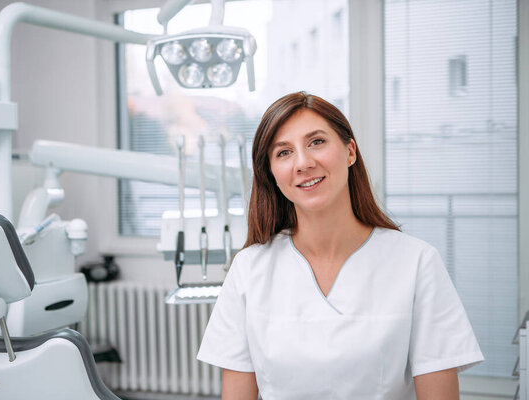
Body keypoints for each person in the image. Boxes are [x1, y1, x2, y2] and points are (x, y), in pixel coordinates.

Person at [196, 92, 483, 399]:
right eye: (283, 153)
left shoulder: (417, 262)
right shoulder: (249, 268)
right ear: (271, 173)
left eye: (316, 142)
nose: (303, 163)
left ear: (350, 152)